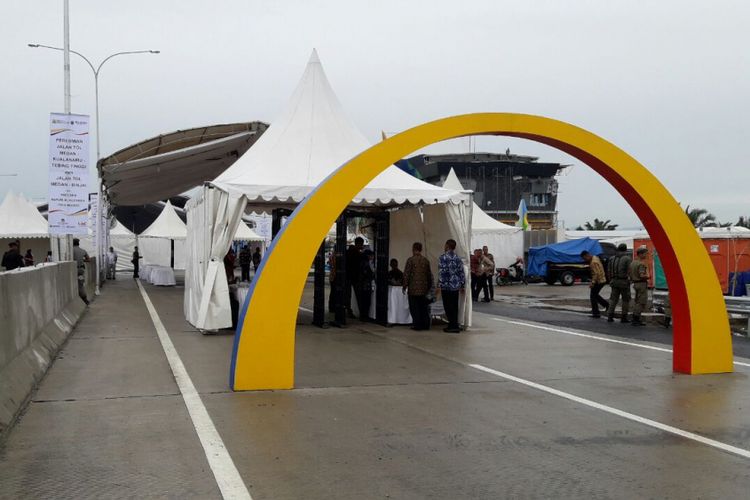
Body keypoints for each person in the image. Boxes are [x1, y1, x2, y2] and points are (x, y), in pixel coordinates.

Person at [403, 242, 433, 330]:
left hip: (413, 289)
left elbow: (406, 274)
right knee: (423, 307)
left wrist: (404, 285)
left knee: (414, 308)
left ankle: (417, 325)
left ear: (413, 249)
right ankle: (426, 325)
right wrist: (428, 286)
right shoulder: (426, 260)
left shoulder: (410, 260)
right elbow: (429, 275)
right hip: (424, 289)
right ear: (421, 249)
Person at [438, 239, 466, 333]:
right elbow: (461, 272)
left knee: (447, 306)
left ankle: (452, 325)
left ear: (447, 246)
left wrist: (439, 285)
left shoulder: (443, 258)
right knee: (454, 305)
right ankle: (454, 324)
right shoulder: (458, 258)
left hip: (446, 285)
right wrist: (462, 285)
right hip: (455, 285)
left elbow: (441, 273)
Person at [606, 243, 632, 323]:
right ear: (625, 249)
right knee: (625, 300)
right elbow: (629, 270)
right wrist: (630, 280)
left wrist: (611, 280)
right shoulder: (627, 259)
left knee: (613, 299)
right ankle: (624, 317)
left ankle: (610, 316)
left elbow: (609, 271)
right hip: (623, 281)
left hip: (614, 281)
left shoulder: (612, 258)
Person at [581, 250, 608, 318]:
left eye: (584, 258)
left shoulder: (593, 262)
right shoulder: (595, 257)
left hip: (599, 281)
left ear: (587, 255)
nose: (585, 260)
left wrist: (592, 283)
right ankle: (606, 305)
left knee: (593, 296)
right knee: (595, 295)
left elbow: (596, 274)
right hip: (602, 280)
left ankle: (596, 313)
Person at [629, 246, 651, 326]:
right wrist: (648, 276)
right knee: (641, 302)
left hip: (635, 283)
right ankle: (636, 319)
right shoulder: (641, 264)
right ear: (640, 254)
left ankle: (635, 317)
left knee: (637, 301)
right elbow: (642, 275)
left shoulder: (633, 263)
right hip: (641, 284)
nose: (646, 255)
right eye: (645, 253)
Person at [345, 237, 365, 317]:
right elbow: (360, 265)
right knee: (359, 295)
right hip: (355, 277)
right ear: (359, 244)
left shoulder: (347, 252)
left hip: (347, 276)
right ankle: (362, 313)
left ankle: (348, 311)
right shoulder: (357, 254)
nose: (362, 246)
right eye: (361, 244)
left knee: (347, 295)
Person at [357, 249, 375, 321]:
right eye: (371, 255)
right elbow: (367, 274)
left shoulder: (361, 262)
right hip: (365, 285)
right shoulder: (366, 263)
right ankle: (364, 316)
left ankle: (363, 316)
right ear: (368, 256)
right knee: (366, 301)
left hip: (362, 285)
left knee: (363, 301)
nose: (372, 257)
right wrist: (373, 274)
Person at [72, 238, 90, 305]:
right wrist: (82, 260)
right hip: (81, 270)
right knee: (81, 284)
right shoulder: (83, 250)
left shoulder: (70, 250)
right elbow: (88, 259)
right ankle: (84, 298)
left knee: (75, 285)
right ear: (78, 243)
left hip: (73, 270)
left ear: (72, 243)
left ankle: (83, 299)